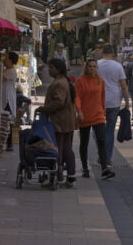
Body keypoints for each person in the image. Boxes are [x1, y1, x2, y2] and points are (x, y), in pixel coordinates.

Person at [41, 58, 78, 187]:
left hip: (60, 121)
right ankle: (70, 176)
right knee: (66, 148)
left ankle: (56, 175)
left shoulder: (59, 83)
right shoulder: (62, 81)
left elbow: (58, 102)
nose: (49, 70)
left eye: (51, 67)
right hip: (66, 120)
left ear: (57, 69)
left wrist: (44, 109)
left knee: (59, 149)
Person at [74, 59, 112, 179]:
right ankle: (85, 168)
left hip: (98, 115)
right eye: (90, 66)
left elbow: (102, 97)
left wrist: (103, 111)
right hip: (84, 115)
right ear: (86, 68)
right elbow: (77, 98)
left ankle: (104, 168)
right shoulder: (80, 81)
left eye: (95, 66)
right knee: (84, 142)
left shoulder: (100, 81)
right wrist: (79, 111)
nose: (93, 69)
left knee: (102, 140)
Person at [96, 44, 130, 171]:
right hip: (114, 102)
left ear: (102, 52)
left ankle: (101, 154)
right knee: (110, 130)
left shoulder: (96, 65)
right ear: (113, 53)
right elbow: (124, 86)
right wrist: (127, 102)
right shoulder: (118, 66)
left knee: (98, 130)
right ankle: (107, 158)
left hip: (99, 101)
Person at [1, 51, 18, 151]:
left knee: (7, 120)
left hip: (8, 98)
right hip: (5, 97)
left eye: (6, 58)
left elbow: (1, 79)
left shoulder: (11, 71)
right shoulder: (7, 70)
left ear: (10, 60)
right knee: (6, 120)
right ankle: (6, 142)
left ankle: (9, 143)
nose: (4, 60)